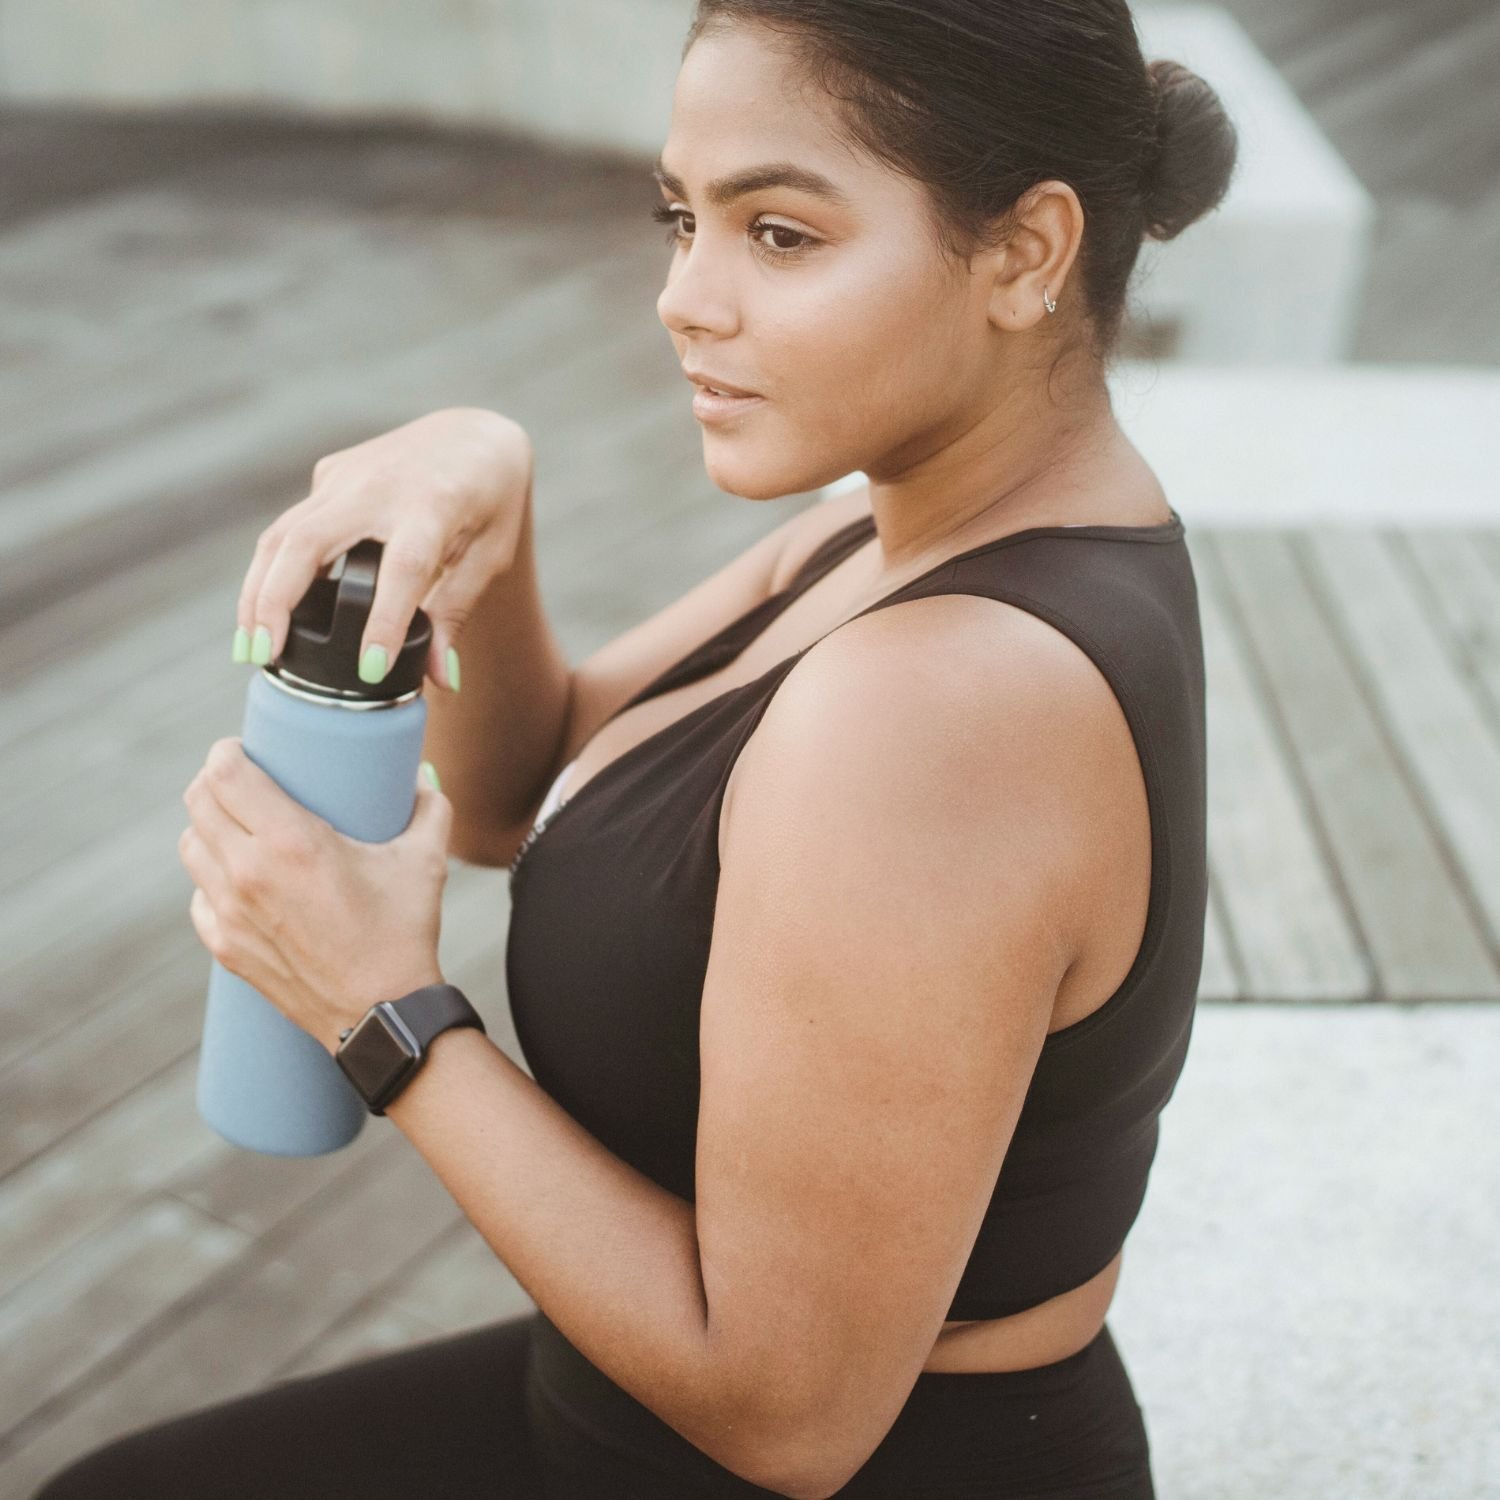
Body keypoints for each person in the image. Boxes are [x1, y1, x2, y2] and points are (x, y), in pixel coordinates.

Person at [33, 1, 1237, 1495]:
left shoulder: (942, 702)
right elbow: (511, 792)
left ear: (1027, 253)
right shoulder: (877, 537)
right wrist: (490, 493)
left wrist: (379, 1011)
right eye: (680, 218)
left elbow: (789, 1417)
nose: (683, 297)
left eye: (779, 234)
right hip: (608, 1408)